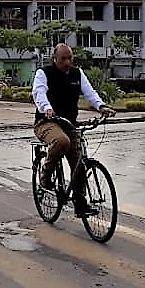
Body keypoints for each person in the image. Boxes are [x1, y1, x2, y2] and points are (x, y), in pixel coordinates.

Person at [31, 43, 115, 218]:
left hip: (69, 123)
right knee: (62, 141)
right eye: (63, 59)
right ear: (55, 58)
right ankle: (45, 175)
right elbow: (39, 93)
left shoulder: (77, 73)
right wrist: (47, 108)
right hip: (47, 122)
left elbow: (90, 92)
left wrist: (101, 106)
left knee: (79, 162)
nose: (67, 62)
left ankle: (80, 203)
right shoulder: (44, 73)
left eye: (70, 58)